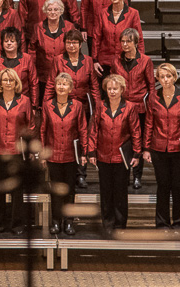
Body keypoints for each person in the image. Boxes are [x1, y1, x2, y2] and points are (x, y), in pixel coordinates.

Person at [143, 63, 180, 229]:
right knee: (162, 186)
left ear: (175, 77)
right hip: (158, 148)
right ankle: (162, 223)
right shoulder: (153, 97)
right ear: (158, 79)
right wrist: (146, 148)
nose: (165, 80)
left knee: (178, 186)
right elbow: (149, 123)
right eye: (162, 77)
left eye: (168, 76)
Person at [87, 73, 141, 233]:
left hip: (121, 157)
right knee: (105, 192)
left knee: (120, 192)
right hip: (103, 155)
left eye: (115, 89)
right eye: (109, 88)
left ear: (122, 89)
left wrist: (137, 153)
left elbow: (136, 131)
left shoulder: (130, 107)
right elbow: (93, 129)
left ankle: (120, 224)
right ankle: (108, 224)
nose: (112, 91)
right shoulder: (100, 106)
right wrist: (91, 151)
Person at [0, 68, 33, 236]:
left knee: (17, 191)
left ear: (16, 82)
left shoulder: (25, 101)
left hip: (17, 152)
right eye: (5, 80)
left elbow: (30, 126)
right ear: (0, 83)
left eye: (11, 80)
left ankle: (17, 224)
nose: (8, 83)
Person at [41, 72, 88, 236]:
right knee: (55, 191)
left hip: (70, 155)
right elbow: (43, 130)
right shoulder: (47, 105)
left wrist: (84, 153)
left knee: (69, 190)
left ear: (70, 88)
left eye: (65, 84)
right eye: (59, 84)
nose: (61, 87)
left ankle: (68, 222)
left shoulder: (78, 106)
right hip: (53, 155)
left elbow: (83, 130)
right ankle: (55, 221)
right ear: (55, 87)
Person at [51, 28, 97, 189]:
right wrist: (47, 104)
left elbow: (94, 85)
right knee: (67, 139)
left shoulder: (88, 61)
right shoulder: (58, 60)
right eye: (68, 42)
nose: (71, 45)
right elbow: (51, 83)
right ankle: (68, 173)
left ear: (80, 44)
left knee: (83, 139)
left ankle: (81, 174)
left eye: (75, 42)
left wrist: (98, 107)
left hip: (83, 106)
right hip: (63, 106)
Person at [111, 28, 154, 189]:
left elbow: (151, 86)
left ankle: (137, 176)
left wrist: (151, 106)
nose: (125, 44)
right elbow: (113, 82)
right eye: (122, 41)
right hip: (122, 106)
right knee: (122, 141)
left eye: (128, 41)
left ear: (136, 43)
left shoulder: (145, 61)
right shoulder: (116, 61)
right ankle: (123, 175)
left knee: (138, 142)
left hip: (139, 107)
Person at [91, 0, 144, 77]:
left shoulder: (133, 14)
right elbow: (96, 38)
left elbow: (139, 39)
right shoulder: (102, 13)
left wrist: (140, 61)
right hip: (105, 62)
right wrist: (94, 60)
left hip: (126, 61)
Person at [28, 0, 77, 102]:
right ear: (45, 11)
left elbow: (74, 49)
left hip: (64, 72)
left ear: (61, 11)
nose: (53, 12)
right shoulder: (38, 27)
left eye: (56, 9)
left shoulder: (69, 26)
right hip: (43, 73)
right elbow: (32, 50)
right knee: (45, 102)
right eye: (49, 10)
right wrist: (32, 69)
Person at [0, 27, 39, 110]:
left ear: (18, 43)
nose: (9, 43)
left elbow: (34, 83)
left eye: (12, 41)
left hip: (23, 104)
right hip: (0, 104)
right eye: (6, 41)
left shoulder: (27, 59)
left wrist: (34, 106)